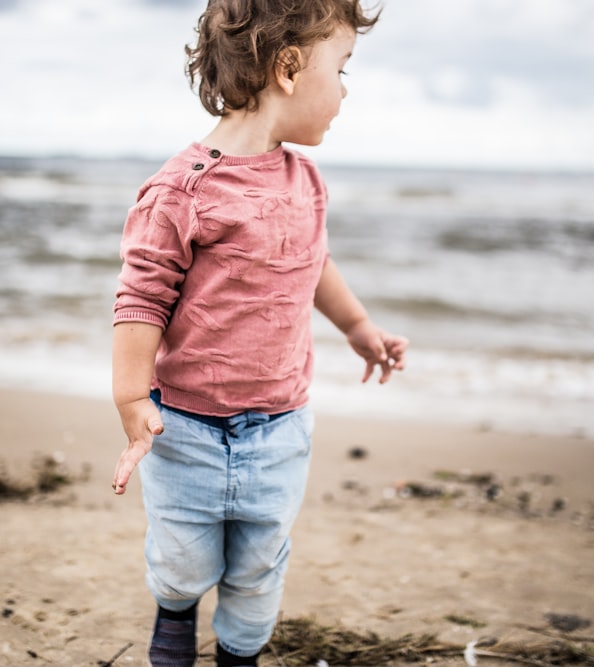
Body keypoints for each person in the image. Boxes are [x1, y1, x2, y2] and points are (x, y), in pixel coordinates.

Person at [110, 1, 407, 665]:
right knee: (183, 558)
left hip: (280, 428)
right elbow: (142, 297)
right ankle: (176, 614)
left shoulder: (305, 180)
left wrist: (357, 324)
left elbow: (312, 260)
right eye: (344, 68)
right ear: (291, 67)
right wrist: (133, 401)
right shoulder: (182, 190)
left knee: (258, 565)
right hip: (183, 429)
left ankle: (239, 655)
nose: (347, 91)